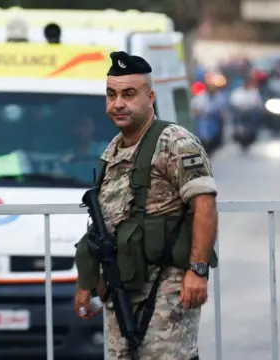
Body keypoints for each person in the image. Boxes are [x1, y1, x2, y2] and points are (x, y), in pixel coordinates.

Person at [73, 51, 219, 359]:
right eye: (111, 95)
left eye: (129, 94)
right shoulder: (112, 150)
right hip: (121, 287)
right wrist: (89, 280)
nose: (118, 103)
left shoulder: (175, 142)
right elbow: (106, 222)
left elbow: (204, 205)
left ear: (150, 96)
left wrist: (198, 269)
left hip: (167, 289)